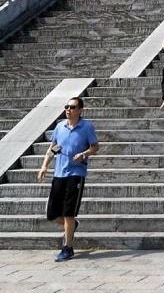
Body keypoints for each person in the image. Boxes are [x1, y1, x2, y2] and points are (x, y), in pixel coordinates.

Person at [36, 95, 99, 262]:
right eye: (66, 107)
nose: (68, 110)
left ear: (79, 110)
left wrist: (84, 154)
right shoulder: (60, 127)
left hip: (76, 174)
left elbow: (95, 147)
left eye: (72, 107)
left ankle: (68, 248)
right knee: (52, 214)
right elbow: (54, 148)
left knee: (69, 213)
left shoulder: (86, 127)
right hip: (59, 174)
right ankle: (72, 226)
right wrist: (44, 166)